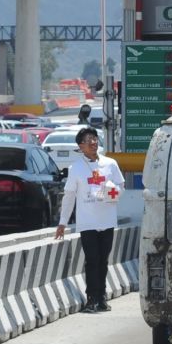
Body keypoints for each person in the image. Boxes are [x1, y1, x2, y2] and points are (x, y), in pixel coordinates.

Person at [54, 126, 125, 313]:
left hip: (107, 219)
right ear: (80, 146)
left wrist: (108, 192)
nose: (93, 143)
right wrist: (63, 222)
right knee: (92, 260)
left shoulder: (110, 163)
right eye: (88, 140)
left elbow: (120, 185)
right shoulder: (75, 168)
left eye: (94, 138)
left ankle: (102, 297)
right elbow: (69, 196)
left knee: (103, 260)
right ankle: (91, 298)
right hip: (87, 222)